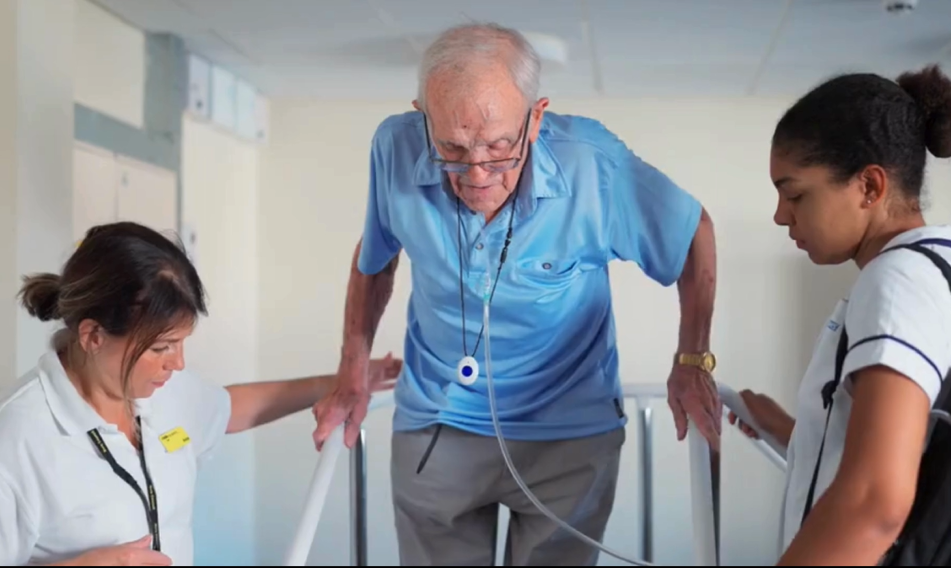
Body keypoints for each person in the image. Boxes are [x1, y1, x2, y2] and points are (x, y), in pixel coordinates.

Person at [312, 22, 720, 566]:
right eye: (451, 148)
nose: (477, 172)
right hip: (437, 422)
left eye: (499, 147)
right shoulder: (394, 144)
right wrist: (352, 371)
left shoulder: (590, 161)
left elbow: (692, 234)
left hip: (568, 430)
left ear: (537, 117)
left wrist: (692, 359)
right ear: (422, 116)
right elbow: (376, 255)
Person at [0, 221, 401, 567]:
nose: (177, 363)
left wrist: (343, 381)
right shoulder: (19, 438)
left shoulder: (157, 392)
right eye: (161, 348)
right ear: (92, 336)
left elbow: (229, 408)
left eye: (181, 343)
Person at [729, 64, 951, 565]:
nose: (781, 215)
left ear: (870, 187)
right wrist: (792, 429)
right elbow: (920, 458)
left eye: (795, 194)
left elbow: (875, 501)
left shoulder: (896, 280)